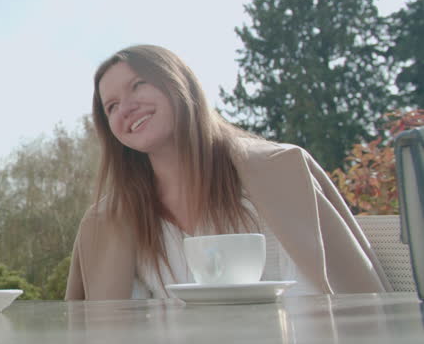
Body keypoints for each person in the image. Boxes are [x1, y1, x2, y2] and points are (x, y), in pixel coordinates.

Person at [66, 44, 389, 300]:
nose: (126, 108)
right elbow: (118, 330)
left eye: (138, 85)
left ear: (178, 84)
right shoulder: (108, 221)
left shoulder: (278, 172)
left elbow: (318, 299)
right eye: (111, 106)